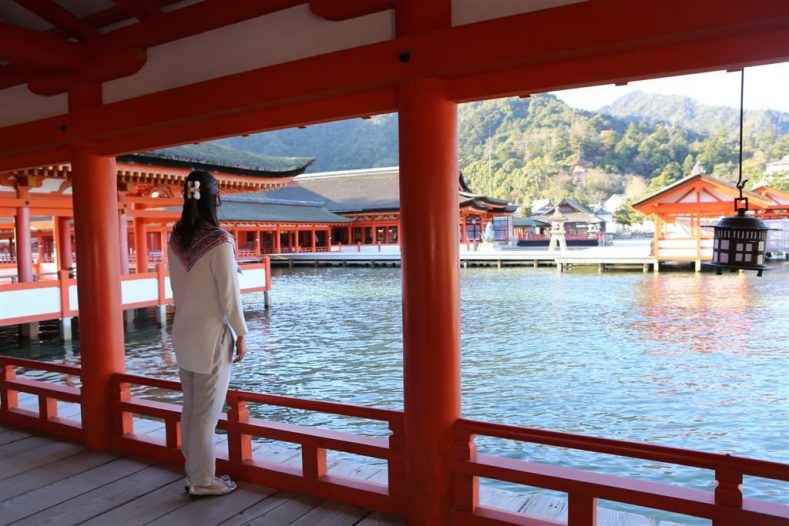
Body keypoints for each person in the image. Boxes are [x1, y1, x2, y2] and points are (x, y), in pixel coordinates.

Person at [168, 169, 247, 497]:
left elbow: (177, 290)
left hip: (183, 332)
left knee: (190, 409)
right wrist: (242, 333)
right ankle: (203, 481)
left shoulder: (175, 238)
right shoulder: (220, 241)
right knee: (205, 415)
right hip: (212, 336)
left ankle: (194, 473)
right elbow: (229, 297)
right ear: (216, 198)